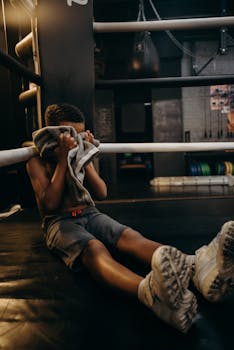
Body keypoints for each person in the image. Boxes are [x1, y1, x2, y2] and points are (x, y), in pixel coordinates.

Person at [26, 103, 234, 333]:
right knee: (94, 250)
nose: (75, 140)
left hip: (89, 212)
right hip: (60, 222)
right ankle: (149, 293)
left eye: (79, 134)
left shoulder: (80, 154)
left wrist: (85, 157)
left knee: (129, 237)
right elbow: (50, 204)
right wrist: (64, 159)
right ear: (54, 133)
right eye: (69, 134)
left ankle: (196, 267)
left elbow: (101, 193)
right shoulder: (36, 161)